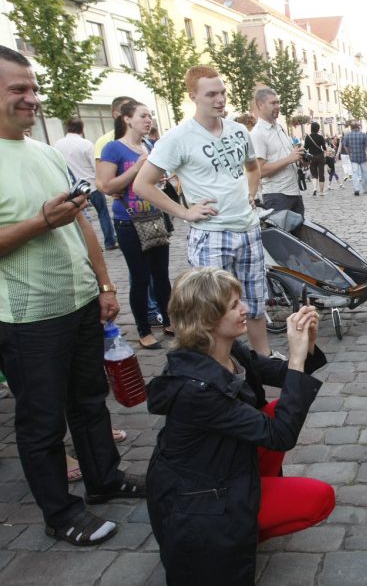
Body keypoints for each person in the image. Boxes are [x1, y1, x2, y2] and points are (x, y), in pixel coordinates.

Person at [0, 45, 145, 547]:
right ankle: (60, 512)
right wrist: (41, 221)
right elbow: (47, 223)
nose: (32, 99)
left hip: (80, 300)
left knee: (90, 402)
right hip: (26, 316)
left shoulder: (44, 152)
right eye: (18, 89)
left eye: (33, 88)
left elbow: (81, 220)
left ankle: (104, 480)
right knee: (42, 420)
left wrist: (104, 285)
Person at [146, 267, 335, 584]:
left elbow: (279, 374)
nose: (245, 308)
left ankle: (247, 523)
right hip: (201, 497)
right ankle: (236, 535)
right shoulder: (196, 389)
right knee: (320, 498)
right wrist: (297, 358)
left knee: (275, 408)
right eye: (234, 305)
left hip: (220, 465)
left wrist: (307, 345)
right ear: (207, 320)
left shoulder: (227, 349)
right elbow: (281, 435)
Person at [133, 65, 279, 358]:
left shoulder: (239, 130)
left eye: (222, 92)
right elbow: (142, 184)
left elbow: (253, 167)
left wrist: (251, 194)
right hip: (211, 235)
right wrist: (184, 212)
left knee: (254, 302)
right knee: (212, 309)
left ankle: (264, 360)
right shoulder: (177, 138)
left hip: (248, 230)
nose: (220, 99)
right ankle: (221, 366)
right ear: (193, 96)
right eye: (211, 94)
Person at [97, 100, 173, 350]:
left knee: (162, 276)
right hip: (129, 221)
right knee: (140, 277)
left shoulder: (149, 145)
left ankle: (169, 320)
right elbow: (108, 186)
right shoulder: (113, 148)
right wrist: (138, 168)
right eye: (143, 115)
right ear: (127, 119)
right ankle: (143, 329)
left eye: (150, 115)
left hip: (153, 217)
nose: (148, 120)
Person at [54, 117, 118, 250]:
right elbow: (95, 166)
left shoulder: (58, 145)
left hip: (73, 187)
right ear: (82, 129)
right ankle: (109, 241)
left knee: (82, 218)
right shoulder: (87, 144)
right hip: (91, 185)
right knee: (102, 213)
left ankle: (92, 245)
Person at [250, 87, 306, 216]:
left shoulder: (279, 127)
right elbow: (260, 171)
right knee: (283, 236)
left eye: (278, 102)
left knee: (298, 236)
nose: (277, 106)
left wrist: (299, 158)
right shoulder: (258, 134)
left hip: (294, 193)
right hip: (277, 197)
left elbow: (287, 157)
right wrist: (289, 159)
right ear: (260, 105)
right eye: (273, 103)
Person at [340, 119, 367, 196]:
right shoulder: (364, 135)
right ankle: (366, 189)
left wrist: (349, 153)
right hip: (362, 156)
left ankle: (356, 189)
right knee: (364, 173)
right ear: (358, 127)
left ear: (351, 127)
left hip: (353, 157)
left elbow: (345, 146)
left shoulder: (347, 135)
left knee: (355, 174)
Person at [303, 121, 329, 197]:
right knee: (321, 174)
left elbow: (305, 147)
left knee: (314, 173)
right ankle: (321, 191)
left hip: (312, 157)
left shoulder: (308, 137)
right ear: (318, 129)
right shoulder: (320, 137)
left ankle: (314, 188)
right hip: (320, 157)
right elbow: (324, 148)